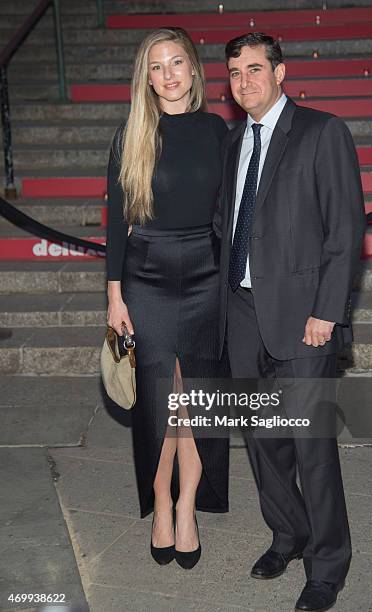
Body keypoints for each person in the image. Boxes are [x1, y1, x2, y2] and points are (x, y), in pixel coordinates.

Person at [216, 32, 366, 611]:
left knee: (312, 445)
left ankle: (328, 564)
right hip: (245, 314)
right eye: (234, 73)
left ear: (281, 73)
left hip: (306, 318)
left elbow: (344, 232)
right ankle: (288, 535)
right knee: (261, 441)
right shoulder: (233, 143)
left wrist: (327, 311)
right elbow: (223, 230)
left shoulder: (323, 132)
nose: (244, 82)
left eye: (255, 69)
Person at [105, 27, 229, 570]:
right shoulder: (131, 132)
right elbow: (116, 226)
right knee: (161, 402)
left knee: (193, 400)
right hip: (147, 274)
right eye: (156, 66)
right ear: (146, 77)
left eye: (177, 62)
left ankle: (186, 506)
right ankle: (160, 499)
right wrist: (114, 296)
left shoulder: (217, 131)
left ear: (194, 69)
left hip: (206, 272)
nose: (168, 74)